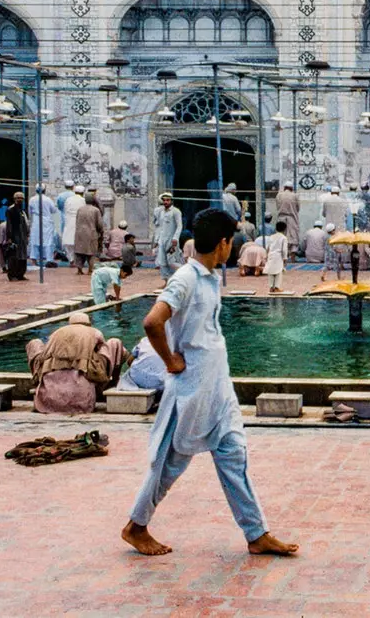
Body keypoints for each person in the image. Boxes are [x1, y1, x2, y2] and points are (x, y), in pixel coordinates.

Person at [123, 208, 298, 559]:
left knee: (234, 454)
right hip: (191, 390)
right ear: (222, 243)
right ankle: (136, 526)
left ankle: (256, 532)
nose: (231, 249)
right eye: (230, 242)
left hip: (217, 388)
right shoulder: (186, 278)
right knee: (171, 462)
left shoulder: (208, 277)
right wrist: (171, 360)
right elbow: (152, 322)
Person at [27, 311, 129, 415]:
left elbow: (46, 354)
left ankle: (38, 383)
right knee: (115, 343)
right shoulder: (94, 332)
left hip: (47, 399)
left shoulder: (56, 332)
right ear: (88, 323)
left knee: (34, 343)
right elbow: (113, 352)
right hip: (82, 400)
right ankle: (114, 383)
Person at [74, 192, 105, 274]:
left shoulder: (80, 209)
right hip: (91, 233)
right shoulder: (95, 210)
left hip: (79, 233)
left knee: (79, 252)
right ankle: (90, 270)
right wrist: (101, 231)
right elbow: (99, 224)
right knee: (91, 252)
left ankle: (79, 270)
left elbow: (77, 221)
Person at [4, 193, 30, 281]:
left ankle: (20, 274)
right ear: (14, 199)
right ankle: (12, 275)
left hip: (22, 236)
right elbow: (9, 225)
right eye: (18, 198)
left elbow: (26, 223)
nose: (20, 200)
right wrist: (9, 237)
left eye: (21, 198)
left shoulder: (22, 210)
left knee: (23, 256)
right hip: (15, 236)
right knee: (14, 256)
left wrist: (27, 235)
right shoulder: (11, 210)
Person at [274, 183, 301, 256]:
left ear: (284, 187)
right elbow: (298, 208)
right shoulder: (295, 195)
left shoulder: (279, 195)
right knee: (293, 237)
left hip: (281, 218)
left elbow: (277, 207)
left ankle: (283, 257)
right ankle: (292, 258)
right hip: (292, 218)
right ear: (291, 188)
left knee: (281, 237)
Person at [264, 221, 289, 294]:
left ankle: (271, 287)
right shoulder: (284, 238)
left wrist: (267, 256)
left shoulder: (271, 237)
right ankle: (277, 287)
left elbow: (267, 248)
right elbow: (284, 250)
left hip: (271, 255)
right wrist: (285, 259)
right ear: (284, 229)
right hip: (278, 256)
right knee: (279, 272)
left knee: (271, 272)